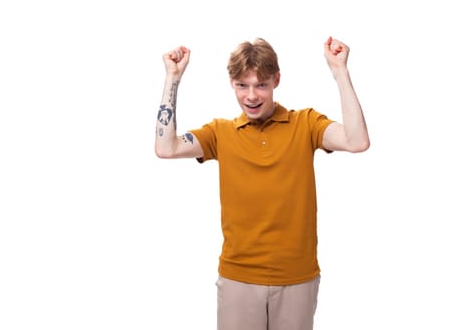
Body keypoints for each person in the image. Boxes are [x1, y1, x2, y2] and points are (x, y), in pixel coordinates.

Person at [154, 36, 370, 330]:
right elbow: (166, 148)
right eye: (242, 85)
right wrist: (172, 78)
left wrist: (340, 72)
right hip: (238, 278)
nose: (251, 96)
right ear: (232, 83)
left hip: (297, 278)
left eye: (261, 85)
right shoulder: (220, 133)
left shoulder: (305, 123)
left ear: (276, 80)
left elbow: (356, 141)